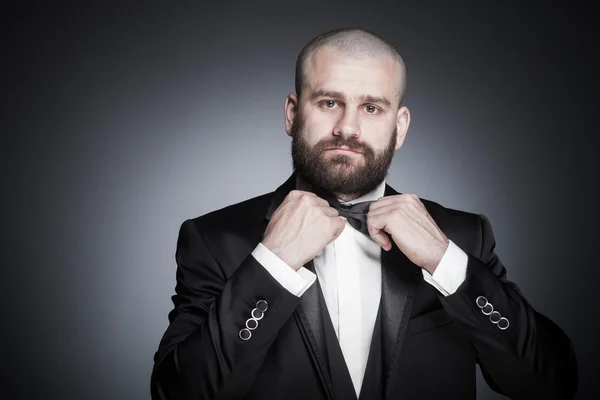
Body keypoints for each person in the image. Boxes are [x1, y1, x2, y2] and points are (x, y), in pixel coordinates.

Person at [150, 27, 578, 400]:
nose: (348, 128)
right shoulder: (213, 239)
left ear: (400, 127)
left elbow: (550, 383)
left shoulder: (464, 236)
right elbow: (178, 393)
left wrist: (446, 262)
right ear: (293, 114)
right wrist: (270, 266)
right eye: (329, 102)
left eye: (371, 108)